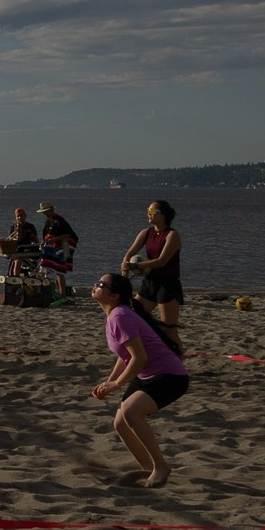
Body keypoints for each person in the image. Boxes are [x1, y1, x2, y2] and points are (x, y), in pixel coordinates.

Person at [90, 272, 189, 487]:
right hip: (149, 373)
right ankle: (148, 469)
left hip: (170, 376)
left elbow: (139, 357)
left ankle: (161, 467)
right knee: (120, 423)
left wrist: (116, 384)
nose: (95, 285)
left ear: (114, 295)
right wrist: (109, 382)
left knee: (131, 412)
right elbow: (125, 357)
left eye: (100, 284)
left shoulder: (120, 316)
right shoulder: (114, 315)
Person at [120, 200, 183, 339]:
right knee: (134, 316)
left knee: (169, 329)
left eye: (153, 211)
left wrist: (135, 266)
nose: (149, 214)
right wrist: (125, 272)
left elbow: (161, 262)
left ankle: (177, 358)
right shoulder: (146, 232)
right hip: (150, 282)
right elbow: (129, 254)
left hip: (168, 284)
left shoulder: (172, 235)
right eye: (148, 210)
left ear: (164, 215)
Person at [37, 202, 79, 296]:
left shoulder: (60, 221)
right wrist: (43, 243)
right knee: (46, 267)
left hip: (61, 246)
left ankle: (62, 293)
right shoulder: (48, 221)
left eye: (46, 211)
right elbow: (46, 236)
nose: (44, 213)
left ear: (51, 210)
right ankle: (47, 289)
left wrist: (54, 240)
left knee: (59, 270)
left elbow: (67, 235)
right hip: (52, 245)